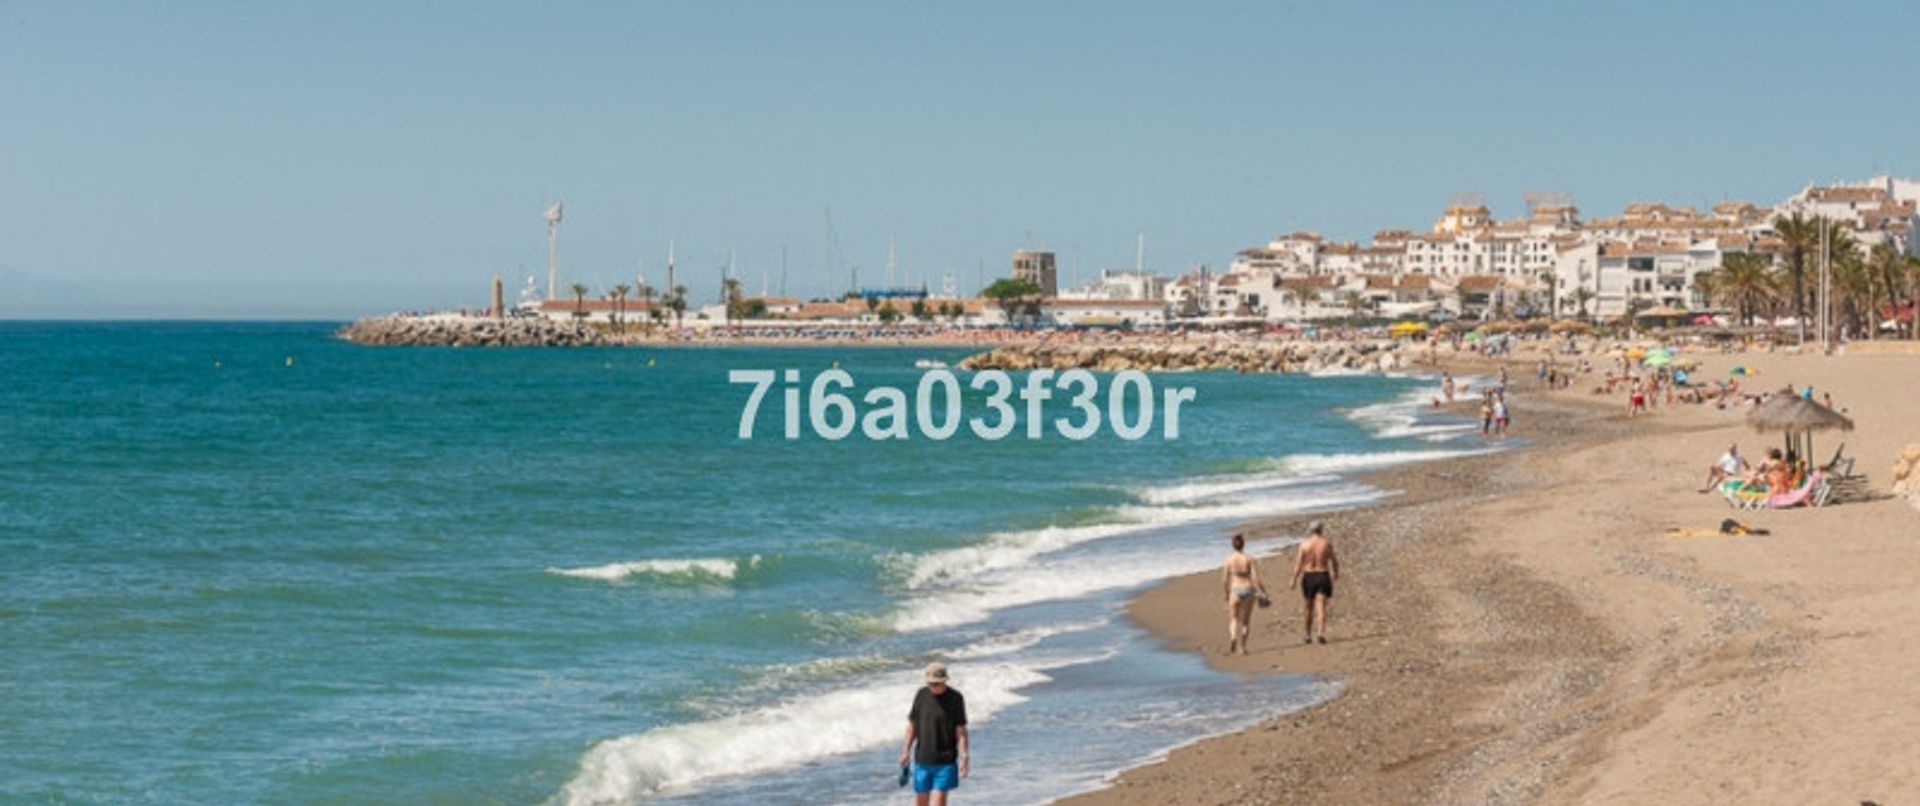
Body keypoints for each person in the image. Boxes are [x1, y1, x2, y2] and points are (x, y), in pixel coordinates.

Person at [899, 662, 968, 805]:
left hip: (945, 762)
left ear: (944, 681)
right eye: (930, 683)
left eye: (937, 684)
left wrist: (964, 756)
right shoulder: (921, 695)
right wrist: (905, 750)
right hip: (922, 760)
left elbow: (960, 731)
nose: (933, 687)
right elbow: (912, 726)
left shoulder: (956, 698)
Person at [1291, 522, 1340, 644]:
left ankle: (1307, 635)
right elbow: (1334, 560)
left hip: (1309, 576)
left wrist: (1293, 579)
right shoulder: (1326, 543)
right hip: (1323, 575)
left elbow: (1298, 564)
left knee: (1308, 607)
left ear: (1310, 530)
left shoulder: (1304, 544)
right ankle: (1320, 633)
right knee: (1321, 606)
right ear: (1321, 530)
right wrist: (1335, 572)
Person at [1221, 532, 1269, 655]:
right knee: (1246, 621)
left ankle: (1233, 637)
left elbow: (1225, 580)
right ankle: (1242, 647)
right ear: (1243, 544)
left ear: (1232, 545)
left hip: (1235, 589)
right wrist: (1263, 592)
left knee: (1233, 619)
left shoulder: (1228, 559)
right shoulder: (1249, 559)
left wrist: (1226, 594)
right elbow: (1256, 579)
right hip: (1248, 589)